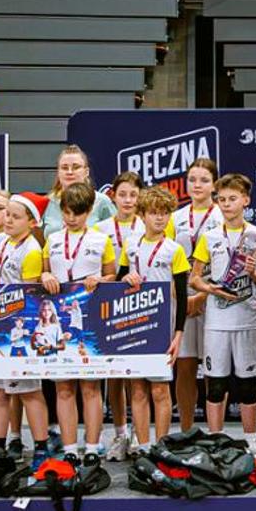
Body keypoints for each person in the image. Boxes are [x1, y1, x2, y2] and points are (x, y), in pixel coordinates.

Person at [40, 183, 117, 465]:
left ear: (88, 212)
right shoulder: (52, 240)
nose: (72, 218)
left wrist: (101, 280)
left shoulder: (101, 240)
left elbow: (112, 275)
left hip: (91, 319)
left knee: (90, 386)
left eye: (78, 213)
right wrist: (45, 275)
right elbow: (42, 274)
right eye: (67, 212)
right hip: (59, 321)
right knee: (63, 387)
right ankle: (71, 446)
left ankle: (94, 446)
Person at [191, 174, 256, 452]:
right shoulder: (209, 236)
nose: (226, 205)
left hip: (248, 319)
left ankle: (251, 440)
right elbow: (194, 278)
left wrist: (254, 272)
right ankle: (216, 439)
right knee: (216, 385)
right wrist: (211, 290)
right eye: (221, 200)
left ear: (246, 201)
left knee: (248, 385)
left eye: (232, 199)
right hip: (216, 322)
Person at [0, 192, 51, 464]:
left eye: (15, 216)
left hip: (18, 329)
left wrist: (0, 288)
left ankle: (41, 445)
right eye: (7, 213)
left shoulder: (32, 250)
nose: (7, 219)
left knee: (29, 390)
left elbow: (29, 296)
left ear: (32, 223)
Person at [120, 186, 191, 452]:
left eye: (164, 214)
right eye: (153, 213)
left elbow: (182, 296)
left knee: (160, 390)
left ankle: (161, 448)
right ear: (142, 215)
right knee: (137, 390)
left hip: (162, 326)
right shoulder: (130, 246)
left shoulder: (175, 250)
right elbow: (118, 280)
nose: (159, 219)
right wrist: (125, 278)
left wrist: (178, 334)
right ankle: (142, 446)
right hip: (132, 324)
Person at [170, 158, 222, 435]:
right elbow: (164, 261)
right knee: (185, 365)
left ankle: (215, 433)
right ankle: (187, 430)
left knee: (214, 367)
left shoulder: (222, 216)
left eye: (203, 180)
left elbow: (231, 263)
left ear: (214, 184)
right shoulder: (174, 217)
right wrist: (182, 299)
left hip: (214, 297)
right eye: (192, 179)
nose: (197, 185)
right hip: (182, 299)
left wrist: (201, 298)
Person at [95, 172, 144, 460]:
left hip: (141, 306)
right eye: (123, 194)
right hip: (108, 306)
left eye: (133, 195)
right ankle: (119, 433)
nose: (127, 200)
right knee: (113, 376)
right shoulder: (100, 229)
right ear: (113, 195)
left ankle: (139, 434)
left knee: (136, 376)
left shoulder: (148, 225)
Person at [41, 145, 117, 237]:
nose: (69, 172)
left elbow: (115, 235)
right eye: (64, 168)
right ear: (58, 172)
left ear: (86, 172)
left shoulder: (102, 201)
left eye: (76, 167)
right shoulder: (46, 202)